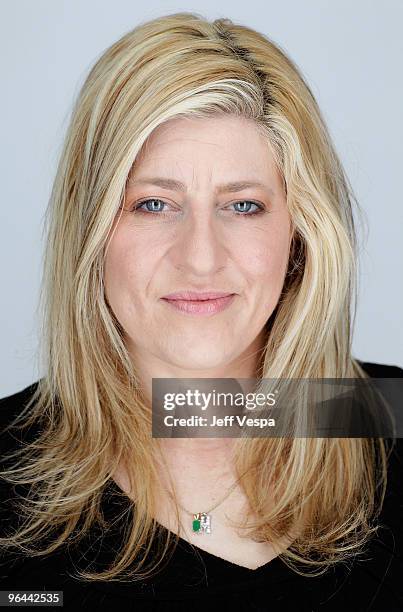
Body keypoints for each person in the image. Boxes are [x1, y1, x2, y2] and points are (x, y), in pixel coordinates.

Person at [1, 11, 402, 611]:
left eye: (242, 206)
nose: (200, 258)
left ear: (300, 233)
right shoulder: (10, 467)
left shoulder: (385, 418)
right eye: (153, 203)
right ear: (90, 231)